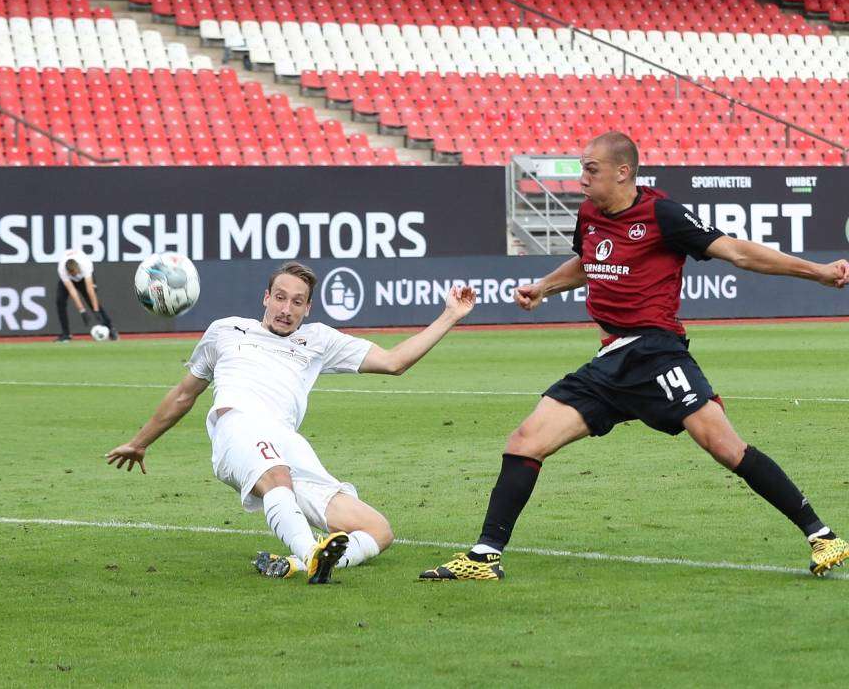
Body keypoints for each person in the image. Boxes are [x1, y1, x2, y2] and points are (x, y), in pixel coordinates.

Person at [420, 131, 849, 582]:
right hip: (610, 361)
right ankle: (485, 556)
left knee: (724, 447)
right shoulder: (589, 214)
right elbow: (588, 262)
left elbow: (738, 252)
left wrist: (818, 272)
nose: (582, 179)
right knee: (525, 440)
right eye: (581, 169)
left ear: (623, 172)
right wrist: (544, 285)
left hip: (655, 353)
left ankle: (822, 534)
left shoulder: (663, 214)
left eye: (591, 169)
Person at [106, 261, 477, 583]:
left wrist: (450, 316)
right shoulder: (225, 331)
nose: (286, 308)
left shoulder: (318, 341)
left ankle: (305, 563)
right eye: (280, 298)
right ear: (265, 297)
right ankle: (312, 552)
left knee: (378, 530)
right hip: (237, 426)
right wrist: (140, 442)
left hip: (287, 441)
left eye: (297, 302)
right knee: (277, 477)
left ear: (308, 308)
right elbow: (185, 394)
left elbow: (395, 362)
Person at [55, 248, 116, 341]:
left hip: (84, 280)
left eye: (75, 273)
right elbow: (73, 292)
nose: (75, 276)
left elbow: (90, 290)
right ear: (67, 272)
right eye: (72, 274)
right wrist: (82, 311)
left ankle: (110, 328)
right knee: (60, 301)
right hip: (69, 281)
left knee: (93, 302)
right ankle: (66, 334)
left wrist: (96, 311)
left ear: (78, 268)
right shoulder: (62, 270)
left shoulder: (85, 265)